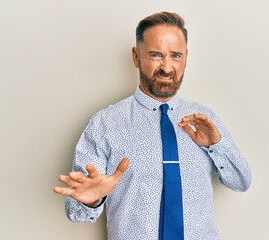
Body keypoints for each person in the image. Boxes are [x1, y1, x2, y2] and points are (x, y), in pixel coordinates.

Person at [54, 11, 252, 240]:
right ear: (136, 57)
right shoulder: (105, 124)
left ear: (186, 57)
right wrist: (92, 199)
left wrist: (215, 145)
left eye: (175, 55)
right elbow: (75, 212)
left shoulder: (205, 120)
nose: (167, 68)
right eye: (156, 55)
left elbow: (241, 182)